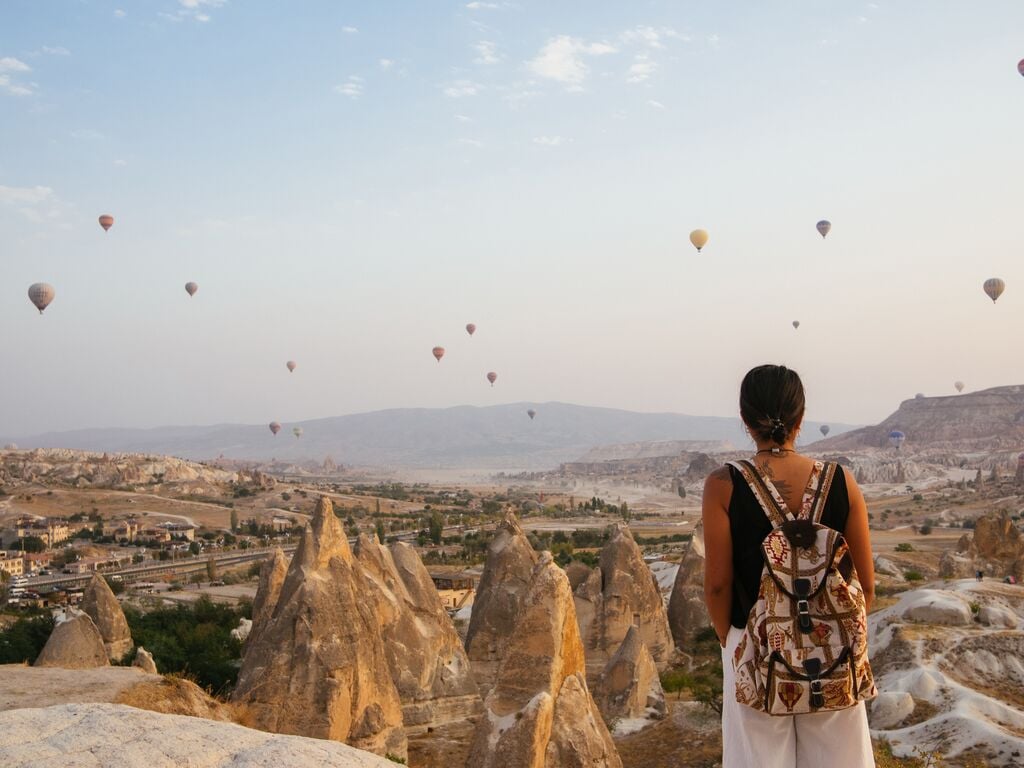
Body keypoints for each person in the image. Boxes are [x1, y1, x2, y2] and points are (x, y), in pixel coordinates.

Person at [702, 364, 875, 768]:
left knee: (758, 759)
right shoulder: (842, 481)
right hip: (833, 650)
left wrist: (732, 644)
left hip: (756, 647)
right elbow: (865, 586)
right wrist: (836, 634)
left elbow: (717, 588)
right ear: (801, 416)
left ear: (745, 420)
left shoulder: (723, 485)